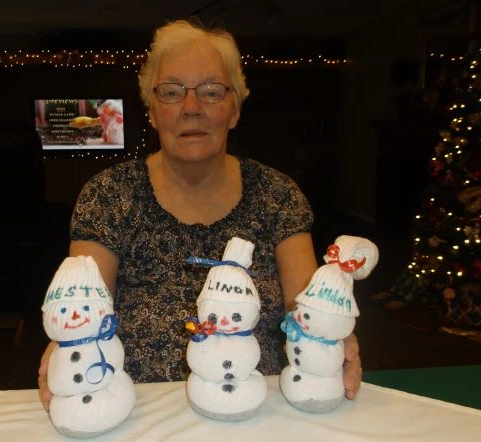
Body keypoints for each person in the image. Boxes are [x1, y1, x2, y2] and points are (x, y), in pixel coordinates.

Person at [38, 18, 361, 411]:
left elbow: (302, 302)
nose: (191, 108)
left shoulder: (277, 194)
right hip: (134, 409)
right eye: (171, 92)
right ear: (153, 111)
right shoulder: (108, 195)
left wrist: (328, 330)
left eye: (211, 92)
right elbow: (83, 300)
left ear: (235, 109)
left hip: (258, 404)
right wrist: (65, 341)